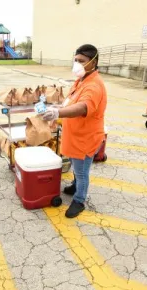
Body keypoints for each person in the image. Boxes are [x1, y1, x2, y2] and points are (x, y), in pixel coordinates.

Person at [43, 44, 107, 218]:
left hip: (85, 138)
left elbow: (82, 107)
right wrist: (59, 106)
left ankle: (79, 200)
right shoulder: (82, 80)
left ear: (93, 63)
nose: (77, 64)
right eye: (76, 60)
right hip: (75, 134)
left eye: (82, 61)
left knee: (81, 170)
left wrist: (58, 113)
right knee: (75, 164)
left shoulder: (93, 85)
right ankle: (75, 185)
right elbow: (72, 100)